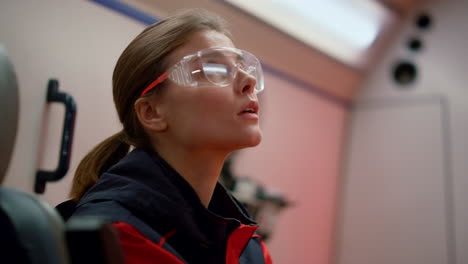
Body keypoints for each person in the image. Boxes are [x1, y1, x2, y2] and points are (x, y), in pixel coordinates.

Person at [66, 8, 272, 264]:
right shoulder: (118, 236)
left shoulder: (247, 244)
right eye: (214, 69)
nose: (249, 81)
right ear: (151, 112)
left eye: (243, 67)